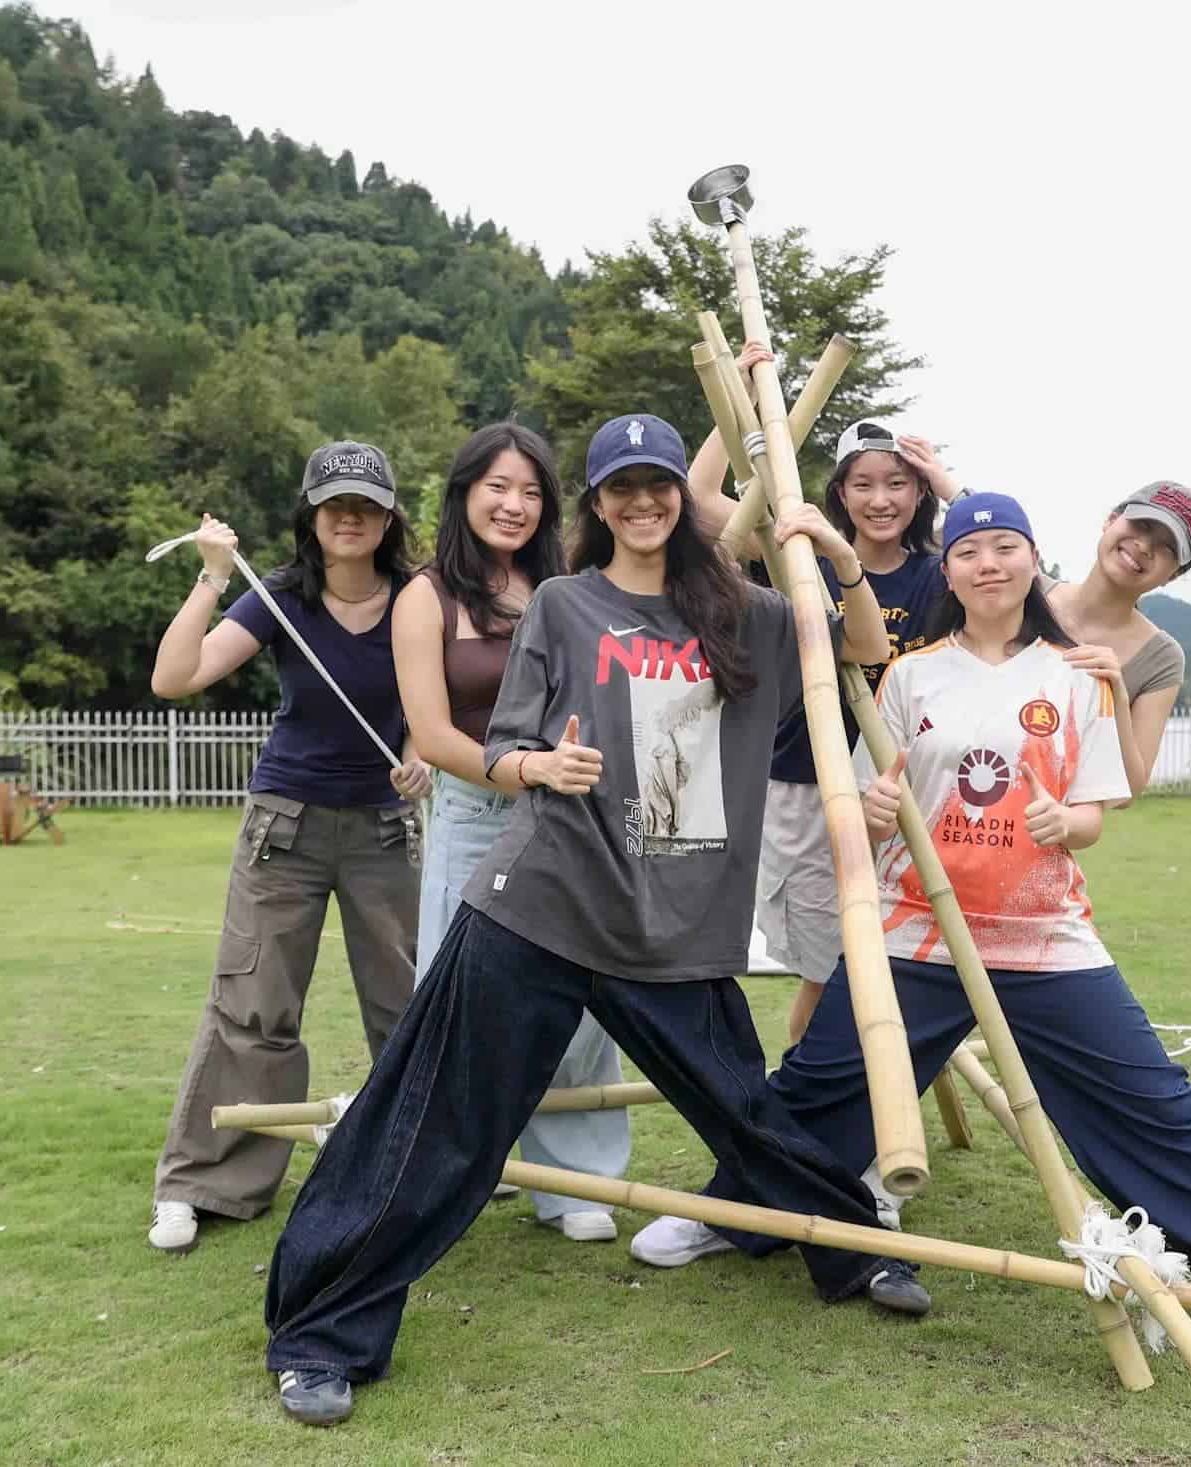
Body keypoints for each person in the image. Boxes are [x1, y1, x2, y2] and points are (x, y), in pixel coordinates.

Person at [258, 412, 915, 1430]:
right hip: (544, 900)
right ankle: (320, 1334)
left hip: (678, 920)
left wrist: (835, 556)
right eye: (622, 489)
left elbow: (862, 658)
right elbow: (506, 743)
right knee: (436, 1123)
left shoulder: (744, 613)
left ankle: (852, 1255)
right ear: (599, 505)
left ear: (679, 502)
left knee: (746, 1111)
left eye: (659, 485)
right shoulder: (564, 605)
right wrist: (537, 767)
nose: (643, 503)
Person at [632, 495, 1191, 1363]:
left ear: (1033, 561)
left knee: (1155, 1105)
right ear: (945, 569)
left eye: (1005, 547)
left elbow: (1099, 806)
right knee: (818, 1085)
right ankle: (736, 1213)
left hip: (1042, 935)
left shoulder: (1079, 675)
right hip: (915, 928)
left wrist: (1069, 822)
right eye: (969, 551)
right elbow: (866, 800)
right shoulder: (911, 673)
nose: (988, 564)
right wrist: (880, 807)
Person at [147, 441, 433, 1256]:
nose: (351, 518)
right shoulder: (277, 599)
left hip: (384, 828)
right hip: (287, 829)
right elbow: (177, 676)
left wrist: (417, 750)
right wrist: (211, 575)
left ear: (388, 519)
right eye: (335, 503)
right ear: (311, 515)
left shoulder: (418, 597)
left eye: (367, 506)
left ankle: (417, 1166)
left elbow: (434, 695)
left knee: (407, 1004)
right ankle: (202, 1182)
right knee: (254, 1003)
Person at [392, 423, 630, 1243]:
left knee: (580, 1005)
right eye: (498, 486)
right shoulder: (426, 596)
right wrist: (522, 769)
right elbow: (429, 733)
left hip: (573, 816)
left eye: (532, 491)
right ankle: (454, 1171)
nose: (515, 505)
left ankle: (575, 1182)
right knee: (464, 1004)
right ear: (464, 492)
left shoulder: (570, 589)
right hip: (475, 815)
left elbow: (688, 514)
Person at [686, 365, 969, 1048]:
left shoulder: (940, 569)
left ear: (919, 492)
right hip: (803, 782)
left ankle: (865, 1095)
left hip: (902, 786)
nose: (881, 499)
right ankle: (822, 1094)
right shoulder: (795, 550)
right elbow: (699, 496)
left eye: (898, 482)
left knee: (895, 955)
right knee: (830, 966)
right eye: (863, 483)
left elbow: (1007, 550)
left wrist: (950, 483)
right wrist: (746, 398)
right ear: (839, 491)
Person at [1045, 480, 1191, 798]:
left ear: (1173, 575)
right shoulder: (1027, 593)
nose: (1145, 546)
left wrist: (1116, 696)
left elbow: (1128, 790)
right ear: (1111, 520)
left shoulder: (1161, 658)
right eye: (1143, 524)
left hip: (1048, 833)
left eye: (1167, 547)